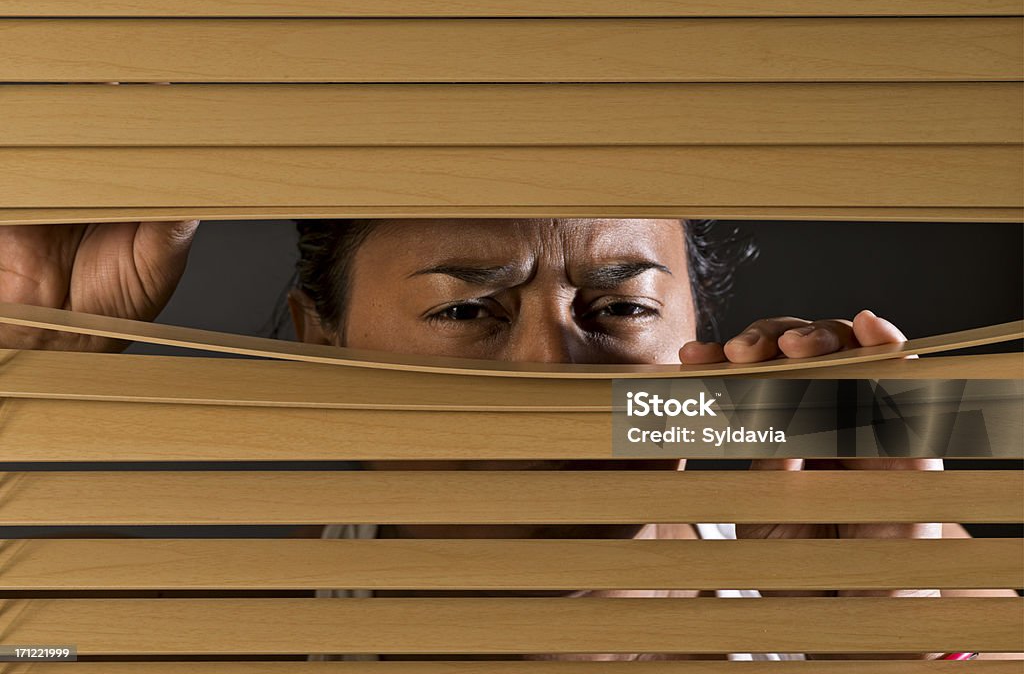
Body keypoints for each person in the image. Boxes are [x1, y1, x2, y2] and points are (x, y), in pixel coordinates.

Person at [0, 218, 1018, 662]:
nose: (546, 368)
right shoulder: (203, 635)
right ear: (325, 341)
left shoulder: (911, 580)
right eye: (462, 312)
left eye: (618, 309)